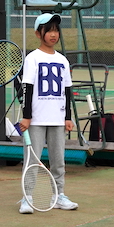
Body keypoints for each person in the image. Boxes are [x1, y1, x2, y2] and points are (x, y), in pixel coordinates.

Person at [18, 13, 77, 212]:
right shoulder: (32, 58)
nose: (53, 34)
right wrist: (26, 116)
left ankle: (59, 195)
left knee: (58, 160)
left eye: (56, 30)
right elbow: (27, 88)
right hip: (35, 119)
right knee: (32, 160)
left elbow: (67, 91)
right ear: (38, 33)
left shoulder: (63, 60)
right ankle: (28, 197)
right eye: (49, 30)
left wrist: (68, 117)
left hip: (57, 118)